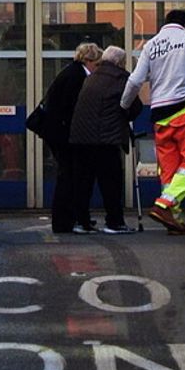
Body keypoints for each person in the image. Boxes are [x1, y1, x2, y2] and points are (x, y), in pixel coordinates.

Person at [120, 9, 185, 235]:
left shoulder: (151, 46)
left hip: (159, 115)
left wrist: (123, 106)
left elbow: (135, 80)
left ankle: (174, 221)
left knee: (169, 172)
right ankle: (164, 205)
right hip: (182, 111)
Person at [68, 45, 134, 234]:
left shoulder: (91, 77)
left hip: (81, 138)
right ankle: (114, 222)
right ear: (120, 62)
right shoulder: (120, 78)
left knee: (84, 182)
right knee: (111, 182)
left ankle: (82, 222)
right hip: (105, 139)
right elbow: (132, 105)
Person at [40, 42, 102, 233]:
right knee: (70, 177)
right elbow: (72, 108)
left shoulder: (71, 72)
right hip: (66, 135)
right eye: (97, 63)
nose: (97, 68)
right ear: (89, 60)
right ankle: (66, 221)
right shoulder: (77, 76)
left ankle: (70, 219)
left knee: (69, 176)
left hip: (60, 132)